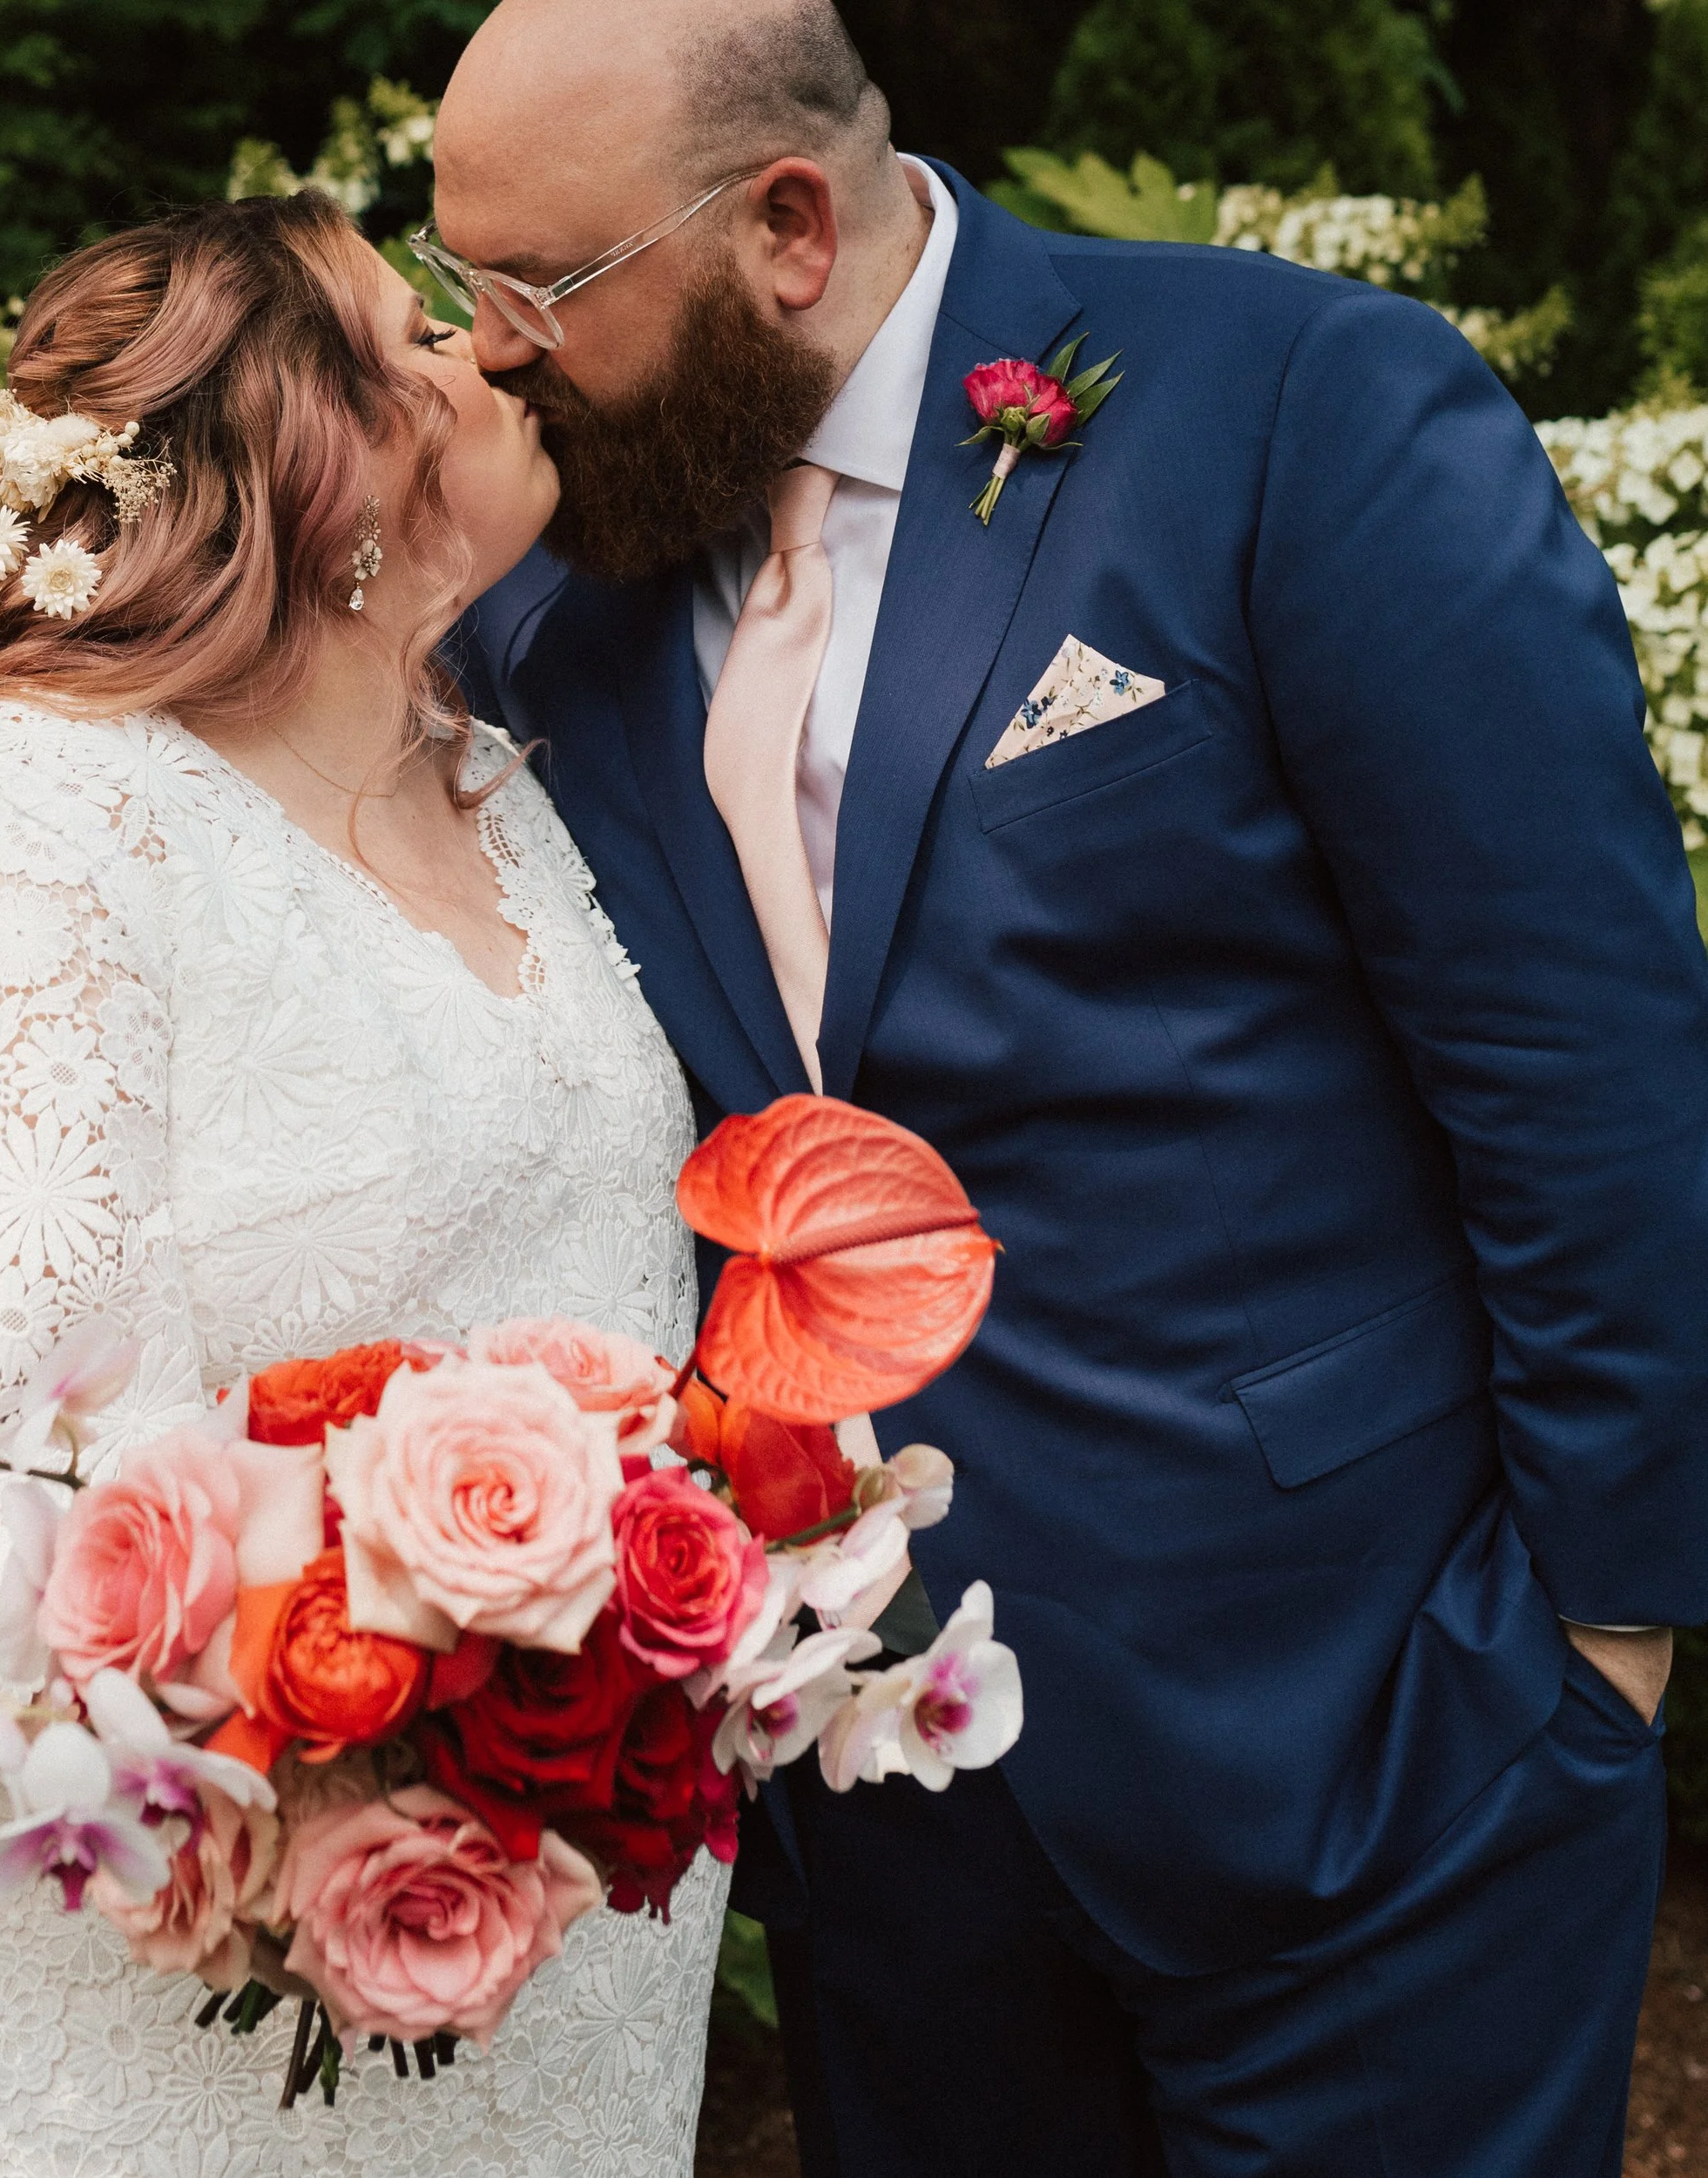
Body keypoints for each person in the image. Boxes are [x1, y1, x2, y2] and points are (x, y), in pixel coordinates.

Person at [434, 1, 1708, 2172]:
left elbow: (1575, 1051)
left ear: (785, 229)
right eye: (459, 277)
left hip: (1372, 1744)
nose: (487, 351)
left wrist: (1594, 1638)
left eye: (539, 286)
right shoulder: (567, 573)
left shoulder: (1294, 409)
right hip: (880, 1813)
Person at [0, 192, 726, 2177]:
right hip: (124, 1987)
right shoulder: (27, 830)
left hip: (545, 1956)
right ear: (320, 464)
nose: (486, 350)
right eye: (414, 335)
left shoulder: (500, 786)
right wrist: (344, 1688)